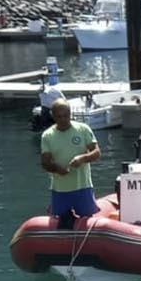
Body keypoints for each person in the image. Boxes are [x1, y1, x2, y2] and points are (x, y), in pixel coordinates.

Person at [39, 98, 102, 229]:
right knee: (61, 224)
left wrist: (83, 158)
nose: (63, 119)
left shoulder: (83, 129)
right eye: (59, 116)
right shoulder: (47, 136)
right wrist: (56, 168)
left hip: (83, 187)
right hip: (60, 190)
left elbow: (97, 153)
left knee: (87, 222)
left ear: (70, 113)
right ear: (53, 116)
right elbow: (45, 163)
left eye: (66, 115)